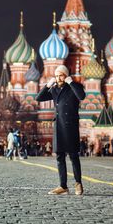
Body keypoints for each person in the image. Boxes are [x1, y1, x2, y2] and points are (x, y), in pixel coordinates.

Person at [36, 65, 85, 195]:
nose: (58, 78)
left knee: (74, 156)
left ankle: (78, 183)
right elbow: (38, 98)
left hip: (71, 126)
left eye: (61, 75)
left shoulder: (75, 87)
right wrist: (47, 85)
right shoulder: (54, 90)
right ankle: (63, 186)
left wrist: (71, 82)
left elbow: (81, 96)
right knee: (59, 157)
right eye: (56, 76)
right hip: (59, 126)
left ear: (66, 75)